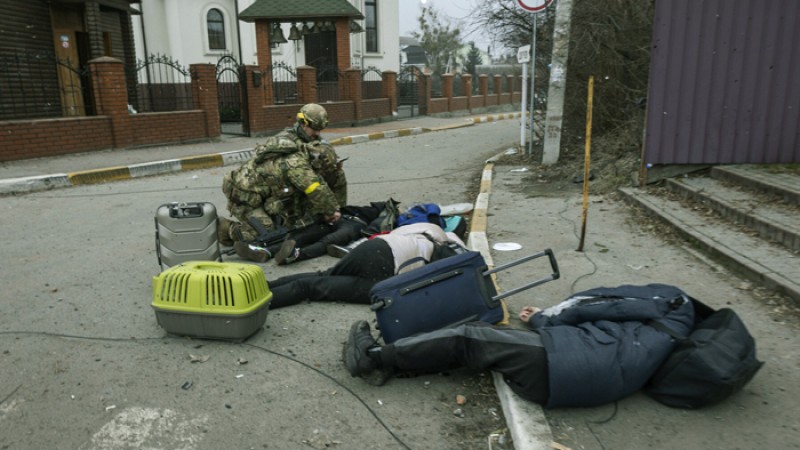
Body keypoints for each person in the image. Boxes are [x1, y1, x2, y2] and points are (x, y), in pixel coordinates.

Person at [342, 284, 696, 409]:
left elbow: (601, 303)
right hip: (580, 379)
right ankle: (399, 363)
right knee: (481, 342)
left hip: (562, 364)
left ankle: (373, 357)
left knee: (469, 336)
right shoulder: (671, 329)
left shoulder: (666, 300)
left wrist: (543, 318)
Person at [218, 103, 347, 262]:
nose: (318, 134)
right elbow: (314, 187)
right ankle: (227, 229)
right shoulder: (293, 157)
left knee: (292, 226)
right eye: (315, 129)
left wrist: (338, 207)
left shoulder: (306, 142)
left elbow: (330, 177)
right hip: (244, 195)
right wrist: (331, 212)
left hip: (271, 193)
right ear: (303, 123)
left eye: (320, 129)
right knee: (265, 234)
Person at [267, 222, 466, 309]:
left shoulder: (423, 230)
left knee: (324, 274)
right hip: (384, 271)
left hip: (372, 247)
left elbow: (388, 234)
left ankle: (264, 286)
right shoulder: (444, 251)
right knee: (311, 288)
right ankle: (259, 305)